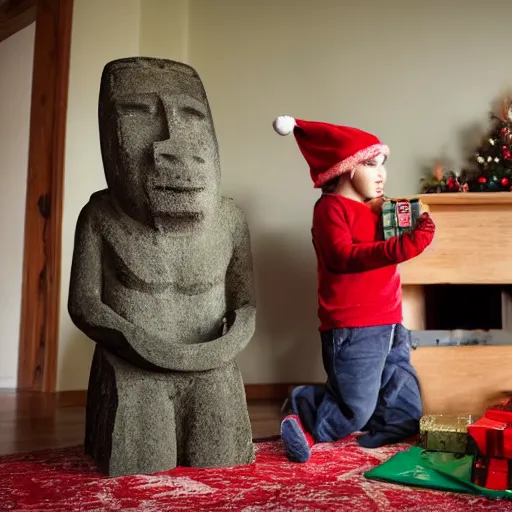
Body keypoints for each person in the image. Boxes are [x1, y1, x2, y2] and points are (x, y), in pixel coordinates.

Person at [272, 115, 435, 463]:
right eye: (371, 164)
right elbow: (344, 257)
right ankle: (305, 412)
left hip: (390, 319)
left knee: (404, 405)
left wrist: (412, 227)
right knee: (353, 409)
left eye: (383, 164)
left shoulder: (378, 209)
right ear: (345, 169)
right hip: (353, 326)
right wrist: (406, 246)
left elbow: (393, 243)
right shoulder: (329, 209)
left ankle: (383, 430)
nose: (381, 173)